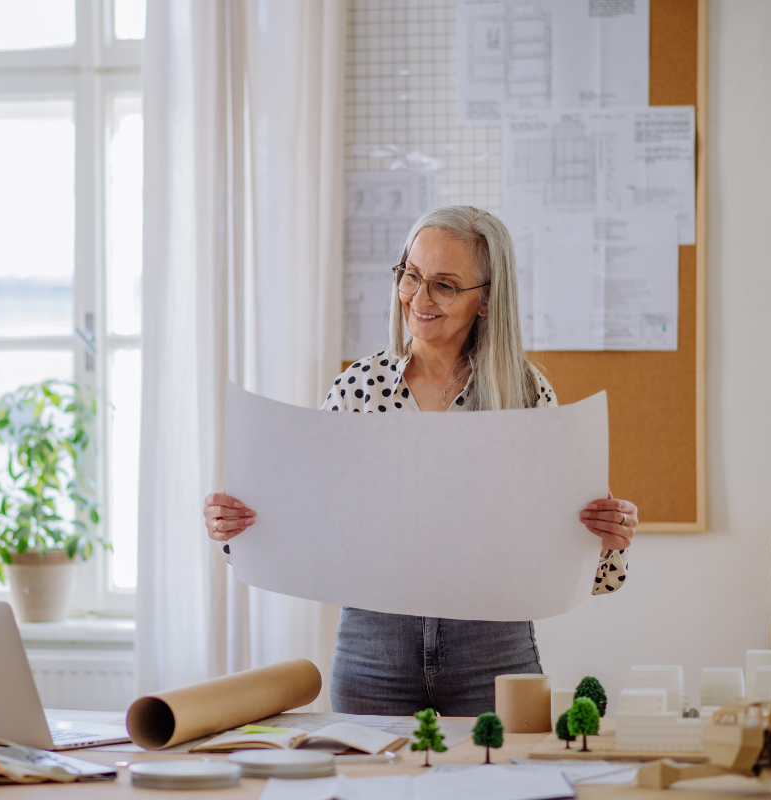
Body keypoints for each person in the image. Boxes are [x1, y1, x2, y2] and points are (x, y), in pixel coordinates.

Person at [203, 206, 636, 716]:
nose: (418, 297)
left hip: (493, 649)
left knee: (497, 786)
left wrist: (607, 540)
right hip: (373, 650)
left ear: (486, 301)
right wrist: (239, 529)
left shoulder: (524, 393)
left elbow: (574, 560)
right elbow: (306, 516)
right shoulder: (359, 388)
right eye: (411, 274)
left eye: (445, 285)